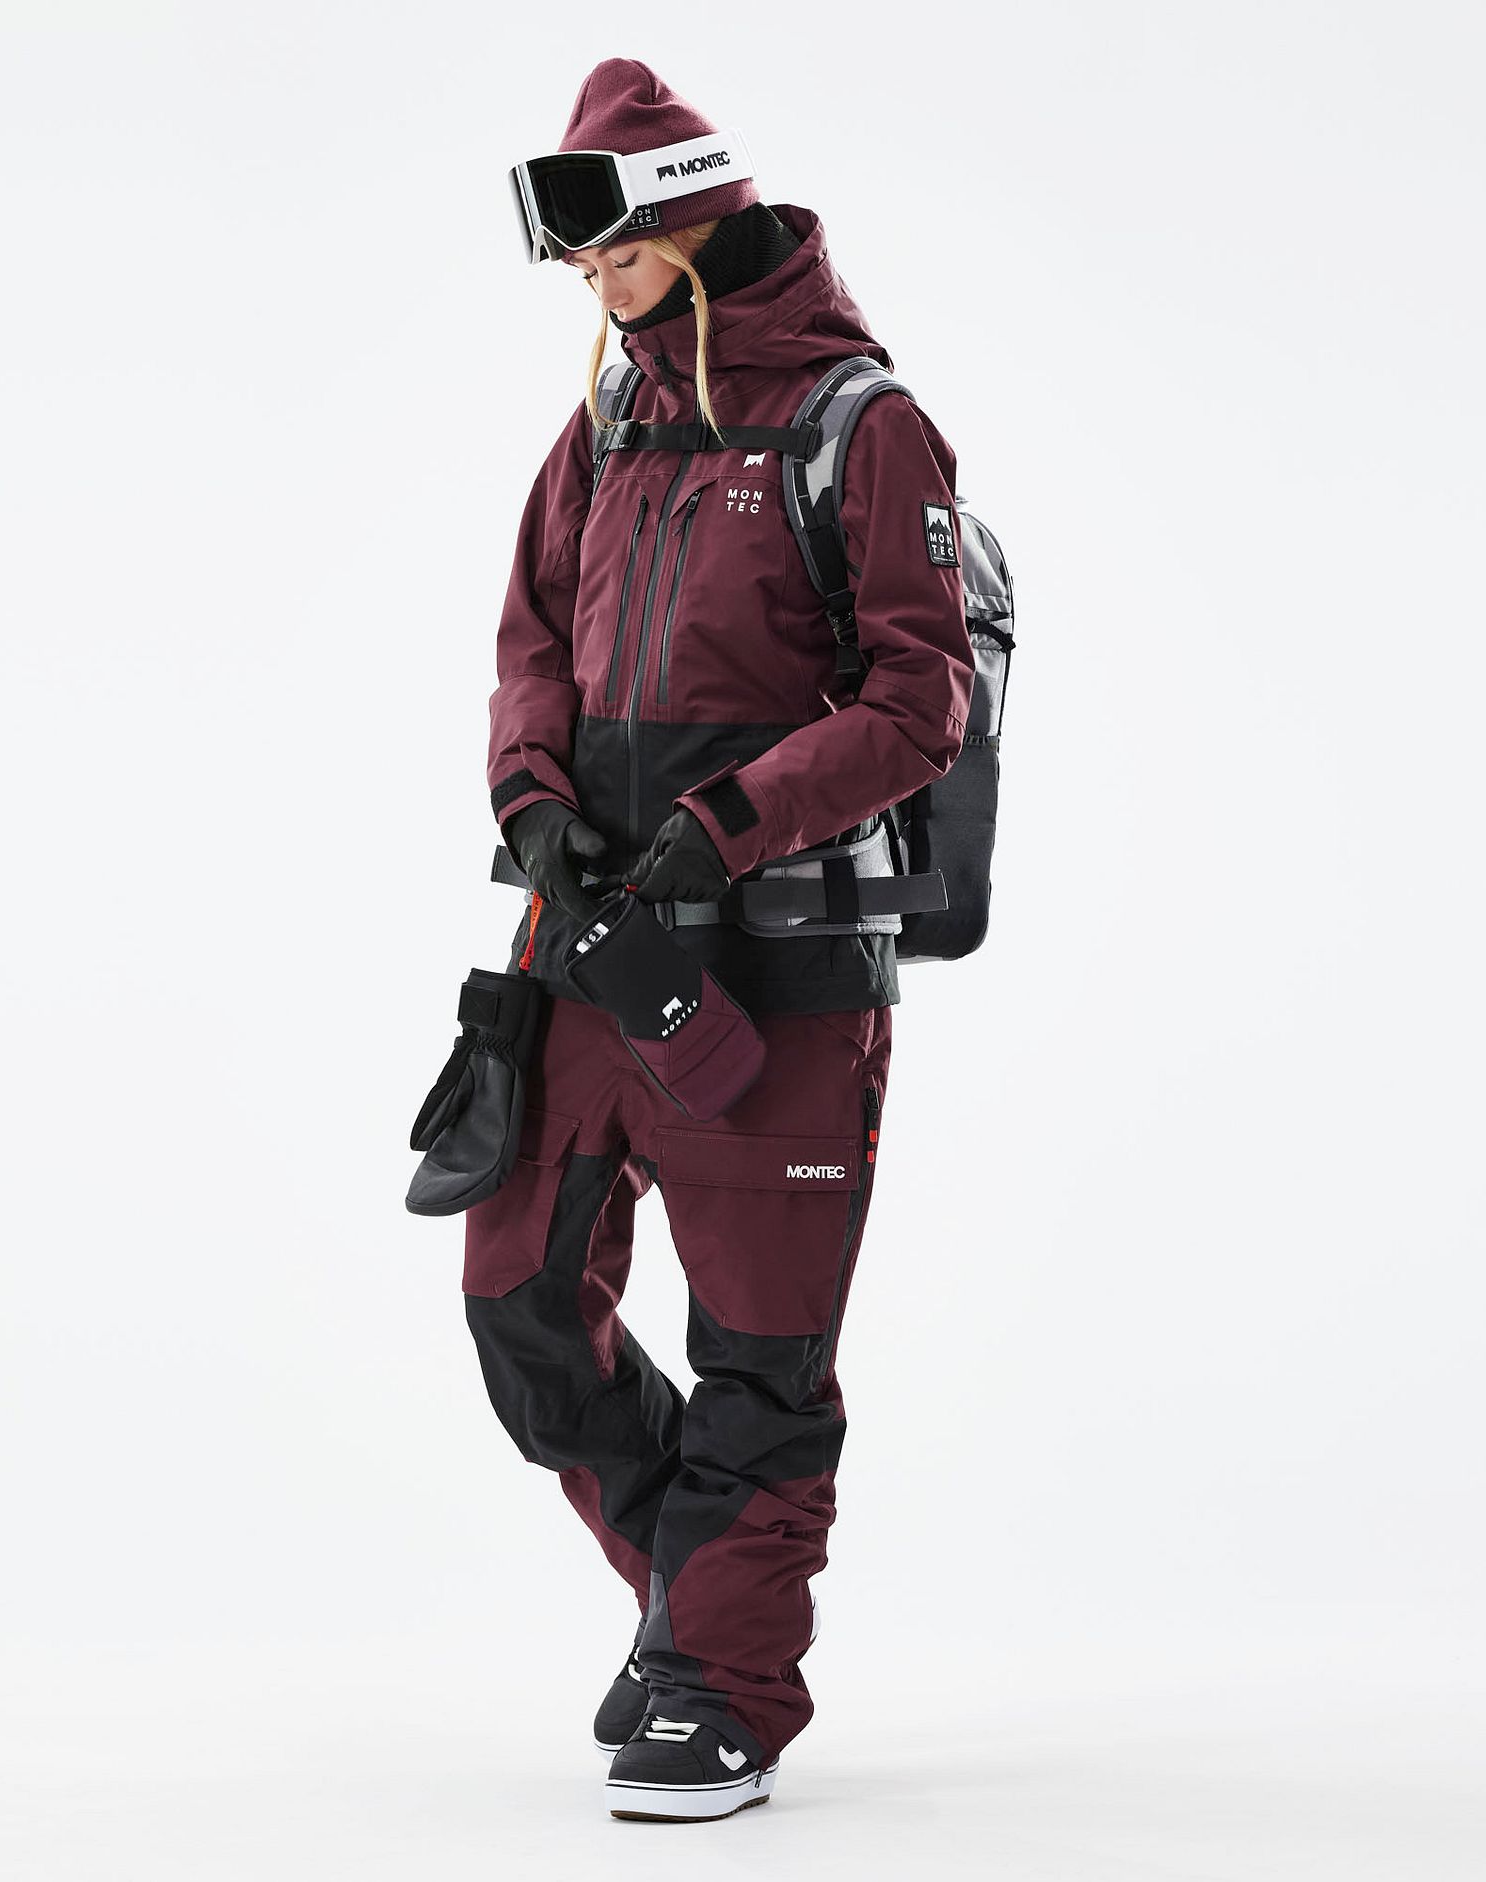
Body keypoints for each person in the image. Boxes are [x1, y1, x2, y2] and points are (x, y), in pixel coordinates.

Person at [466, 58, 975, 1822]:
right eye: (580, 269)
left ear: (688, 221)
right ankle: (698, 1599)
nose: (595, 292)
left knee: (763, 1348)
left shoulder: (858, 422)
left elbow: (922, 699)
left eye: (614, 257)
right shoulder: (608, 418)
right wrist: (534, 794)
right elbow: (532, 642)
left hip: (781, 969)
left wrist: (731, 821)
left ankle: (723, 1686)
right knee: (521, 1299)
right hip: (588, 951)